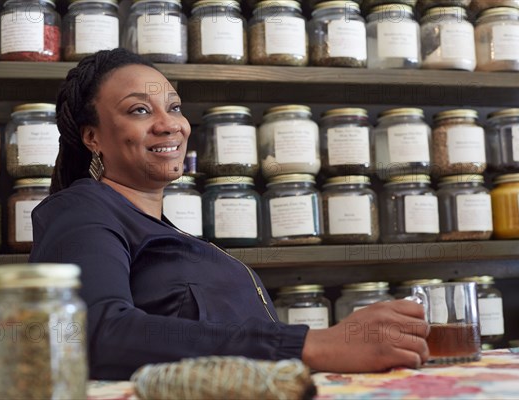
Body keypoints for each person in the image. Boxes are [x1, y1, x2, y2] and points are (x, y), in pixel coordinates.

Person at [29, 48, 430, 380]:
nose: (169, 125)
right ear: (92, 137)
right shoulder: (82, 209)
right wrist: (312, 344)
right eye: (139, 110)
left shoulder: (166, 232)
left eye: (174, 107)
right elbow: (93, 333)